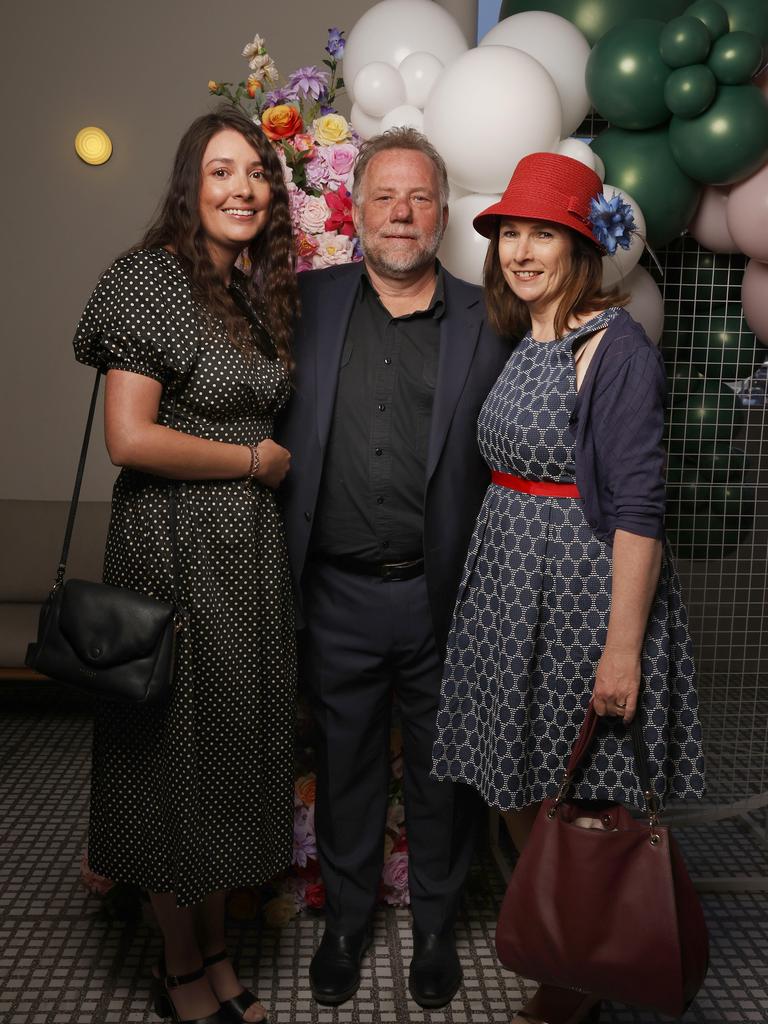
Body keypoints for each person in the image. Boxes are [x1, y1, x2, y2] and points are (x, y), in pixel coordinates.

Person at [430, 152, 706, 1024]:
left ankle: (584, 972)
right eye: (510, 231)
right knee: (515, 780)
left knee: (580, 794)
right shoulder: (528, 336)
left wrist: (622, 649)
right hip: (510, 590)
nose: (520, 250)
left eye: (541, 233)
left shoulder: (613, 347)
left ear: (581, 246)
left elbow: (638, 510)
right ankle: (571, 950)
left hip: (584, 600)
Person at [72, 107, 297, 1024]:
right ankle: (177, 963)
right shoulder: (149, 280)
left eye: (255, 173)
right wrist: (252, 460)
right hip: (170, 548)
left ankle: (213, 944)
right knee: (172, 760)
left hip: (246, 556)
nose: (241, 189)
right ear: (188, 186)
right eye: (220, 172)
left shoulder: (250, 288)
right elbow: (129, 439)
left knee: (233, 754)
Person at [277, 127, 509, 1009]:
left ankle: (438, 928)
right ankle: (344, 922)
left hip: (446, 595)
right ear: (358, 208)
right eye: (384, 197)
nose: (401, 214)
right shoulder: (306, 303)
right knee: (345, 767)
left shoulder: (489, 320)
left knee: (445, 772)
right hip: (333, 590)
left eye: (418, 198)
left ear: (442, 213)